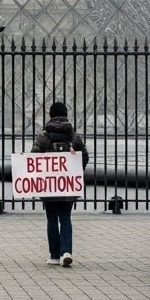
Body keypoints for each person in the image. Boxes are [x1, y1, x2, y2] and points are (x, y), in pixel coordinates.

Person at [31, 101, 88, 267]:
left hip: (49, 186)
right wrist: (75, 172)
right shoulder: (74, 136)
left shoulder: (43, 137)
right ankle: (66, 251)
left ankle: (55, 255)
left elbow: (34, 158)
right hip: (68, 185)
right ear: (66, 115)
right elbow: (84, 157)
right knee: (65, 217)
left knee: (51, 218)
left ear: (50, 115)